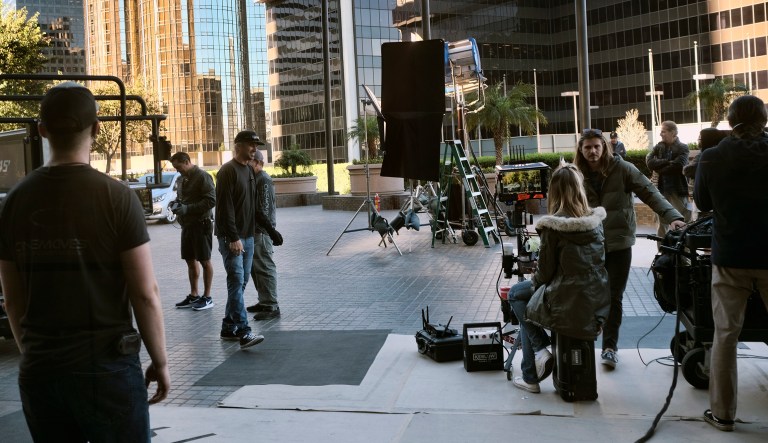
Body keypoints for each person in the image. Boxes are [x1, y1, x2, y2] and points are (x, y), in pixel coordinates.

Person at [0, 82, 169, 441]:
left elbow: (12, 300)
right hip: (106, 367)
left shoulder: (13, 202)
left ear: (42, 130)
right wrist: (161, 360)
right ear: (95, 129)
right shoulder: (116, 198)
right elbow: (145, 293)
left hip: (41, 371)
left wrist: (33, 352)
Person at [574, 128, 685, 369]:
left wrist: (672, 216)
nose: (592, 151)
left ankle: (610, 347)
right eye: (587, 147)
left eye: (596, 146)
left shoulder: (622, 168)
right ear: (581, 151)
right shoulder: (575, 175)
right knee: (587, 294)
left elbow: (649, 191)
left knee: (614, 296)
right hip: (588, 244)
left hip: (619, 243)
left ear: (604, 146)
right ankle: (583, 342)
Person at [694, 95, 768, 432]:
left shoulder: (712, 157)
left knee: (725, 335)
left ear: (730, 121)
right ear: (764, 120)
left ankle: (723, 415)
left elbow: (702, 202)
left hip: (730, 256)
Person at [508, 163, 609, 394]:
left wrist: (535, 272)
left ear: (555, 191)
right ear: (579, 188)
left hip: (565, 298)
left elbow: (544, 275)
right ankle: (531, 372)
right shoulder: (596, 222)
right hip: (594, 297)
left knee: (516, 295)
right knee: (529, 308)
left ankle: (539, 357)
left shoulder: (553, 227)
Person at [215, 130, 265, 349]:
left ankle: (228, 326)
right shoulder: (227, 171)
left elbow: (253, 206)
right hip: (232, 238)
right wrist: (234, 238)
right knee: (236, 282)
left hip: (249, 236)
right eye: (251, 145)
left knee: (241, 283)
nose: (255, 149)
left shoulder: (249, 171)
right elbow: (224, 208)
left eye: (256, 145)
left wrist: (268, 231)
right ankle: (244, 332)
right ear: (239, 145)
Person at [170, 152, 216, 310]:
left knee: (205, 260)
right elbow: (182, 198)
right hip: (187, 225)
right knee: (190, 259)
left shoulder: (203, 177)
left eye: (178, 167)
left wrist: (187, 208)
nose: (177, 170)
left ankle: (207, 297)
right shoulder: (182, 178)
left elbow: (211, 200)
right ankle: (194, 295)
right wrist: (176, 204)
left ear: (187, 161)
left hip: (201, 224)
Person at [246, 152, 284, 320]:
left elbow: (264, 209)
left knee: (264, 268)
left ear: (257, 162)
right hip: (255, 231)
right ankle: (264, 301)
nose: (246, 164)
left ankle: (270, 305)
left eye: (249, 161)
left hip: (261, 232)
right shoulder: (255, 179)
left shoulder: (263, 180)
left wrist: (270, 231)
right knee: (256, 270)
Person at [646, 121, 691, 237]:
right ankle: (662, 253)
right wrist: (667, 162)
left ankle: (683, 253)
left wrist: (659, 168)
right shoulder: (659, 147)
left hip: (678, 191)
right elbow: (649, 162)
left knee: (682, 224)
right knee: (661, 225)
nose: (661, 134)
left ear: (673, 133)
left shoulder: (683, 148)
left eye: (663, 131)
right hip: (661, 191)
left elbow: (678, 166)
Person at [683, 128, 729, 220]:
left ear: (707, 139)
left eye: (700, 139)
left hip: (704, 203)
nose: (698, 141)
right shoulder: (724, 153)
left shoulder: (705, 155)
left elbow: (687, 170)